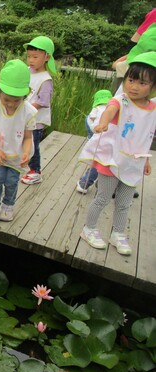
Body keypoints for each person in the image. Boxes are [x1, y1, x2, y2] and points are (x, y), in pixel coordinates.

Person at [78, 52, 156, 256]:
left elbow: (145, 135)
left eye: (142, 83)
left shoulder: (153, 109)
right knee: (103, 197)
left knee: (124, 202)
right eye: (131, 80)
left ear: (153, 87)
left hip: (134, 162)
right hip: (111, 159)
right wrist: (103, 123)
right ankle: (89, 229)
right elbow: (109, 110)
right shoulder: (121, 100)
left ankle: (118, 233)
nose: (134, 86)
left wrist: (146, 159)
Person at [0, 36, 55, 185]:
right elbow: (11, 77)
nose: (31, 60)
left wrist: (25, 109)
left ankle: (35, 170)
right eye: (29, 56)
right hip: (20, 117)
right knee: (19, 141)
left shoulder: (45, 79)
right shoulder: (27, 71)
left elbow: (43, 102)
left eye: (35, 57)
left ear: (47, 57)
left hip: (34, 120)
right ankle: (18, 163)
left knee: (33, 145)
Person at [0, 59, 37, 222]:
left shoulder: (28, 112)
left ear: (24, 96)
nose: (11, 105)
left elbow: (28, 137)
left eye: (16, 101)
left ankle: (8, 205)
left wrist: (26, 152)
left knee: (12, 181)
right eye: (7, 100)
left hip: (16, 154)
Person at [76, 89, 113, 194]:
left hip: (99, 139)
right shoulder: (115, 110)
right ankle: (103, 184)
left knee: (97, 163)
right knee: (108, 164)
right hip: (111, 141)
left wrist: (91, 135)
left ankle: (84, 184)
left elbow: (90, 121)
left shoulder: (96, 109)